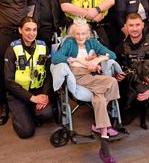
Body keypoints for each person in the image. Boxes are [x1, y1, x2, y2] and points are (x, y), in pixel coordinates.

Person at [51, 18, 119, 162]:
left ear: (88, 34)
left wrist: (97, 60)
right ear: (73, 34)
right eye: (77, 34)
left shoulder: (92, 42)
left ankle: (102, 134)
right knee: (112, 81)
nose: (80, 37)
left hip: (93, 76)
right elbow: (56, 58)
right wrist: (78, 60)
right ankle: (105, 126)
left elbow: (112, 55)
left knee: (100, 98)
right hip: (78, 75)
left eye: (83, 34)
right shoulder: (69, 42)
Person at [116, 13, 149, 131]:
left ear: (142, 25)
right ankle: (135, 107)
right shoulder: (122, 46)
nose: (134, 28)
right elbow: (117, 65)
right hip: (133, 84)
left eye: (137, 25)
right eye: (131, 25)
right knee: (124, 121)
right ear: (126, 27)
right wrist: (117, 74)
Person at [4, 16, 53, 139]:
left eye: (34, 30)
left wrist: (45, 94)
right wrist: (32, 98)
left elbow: (48, 74)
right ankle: (19, 112)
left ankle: (29, 112)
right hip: (18, 94)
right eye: (27, 30)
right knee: (26, 132)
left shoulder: (43, 47)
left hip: (37, 90)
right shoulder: (12, 49)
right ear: (20, 30)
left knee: (47, 114)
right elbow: (9, 81)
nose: (31, 33)